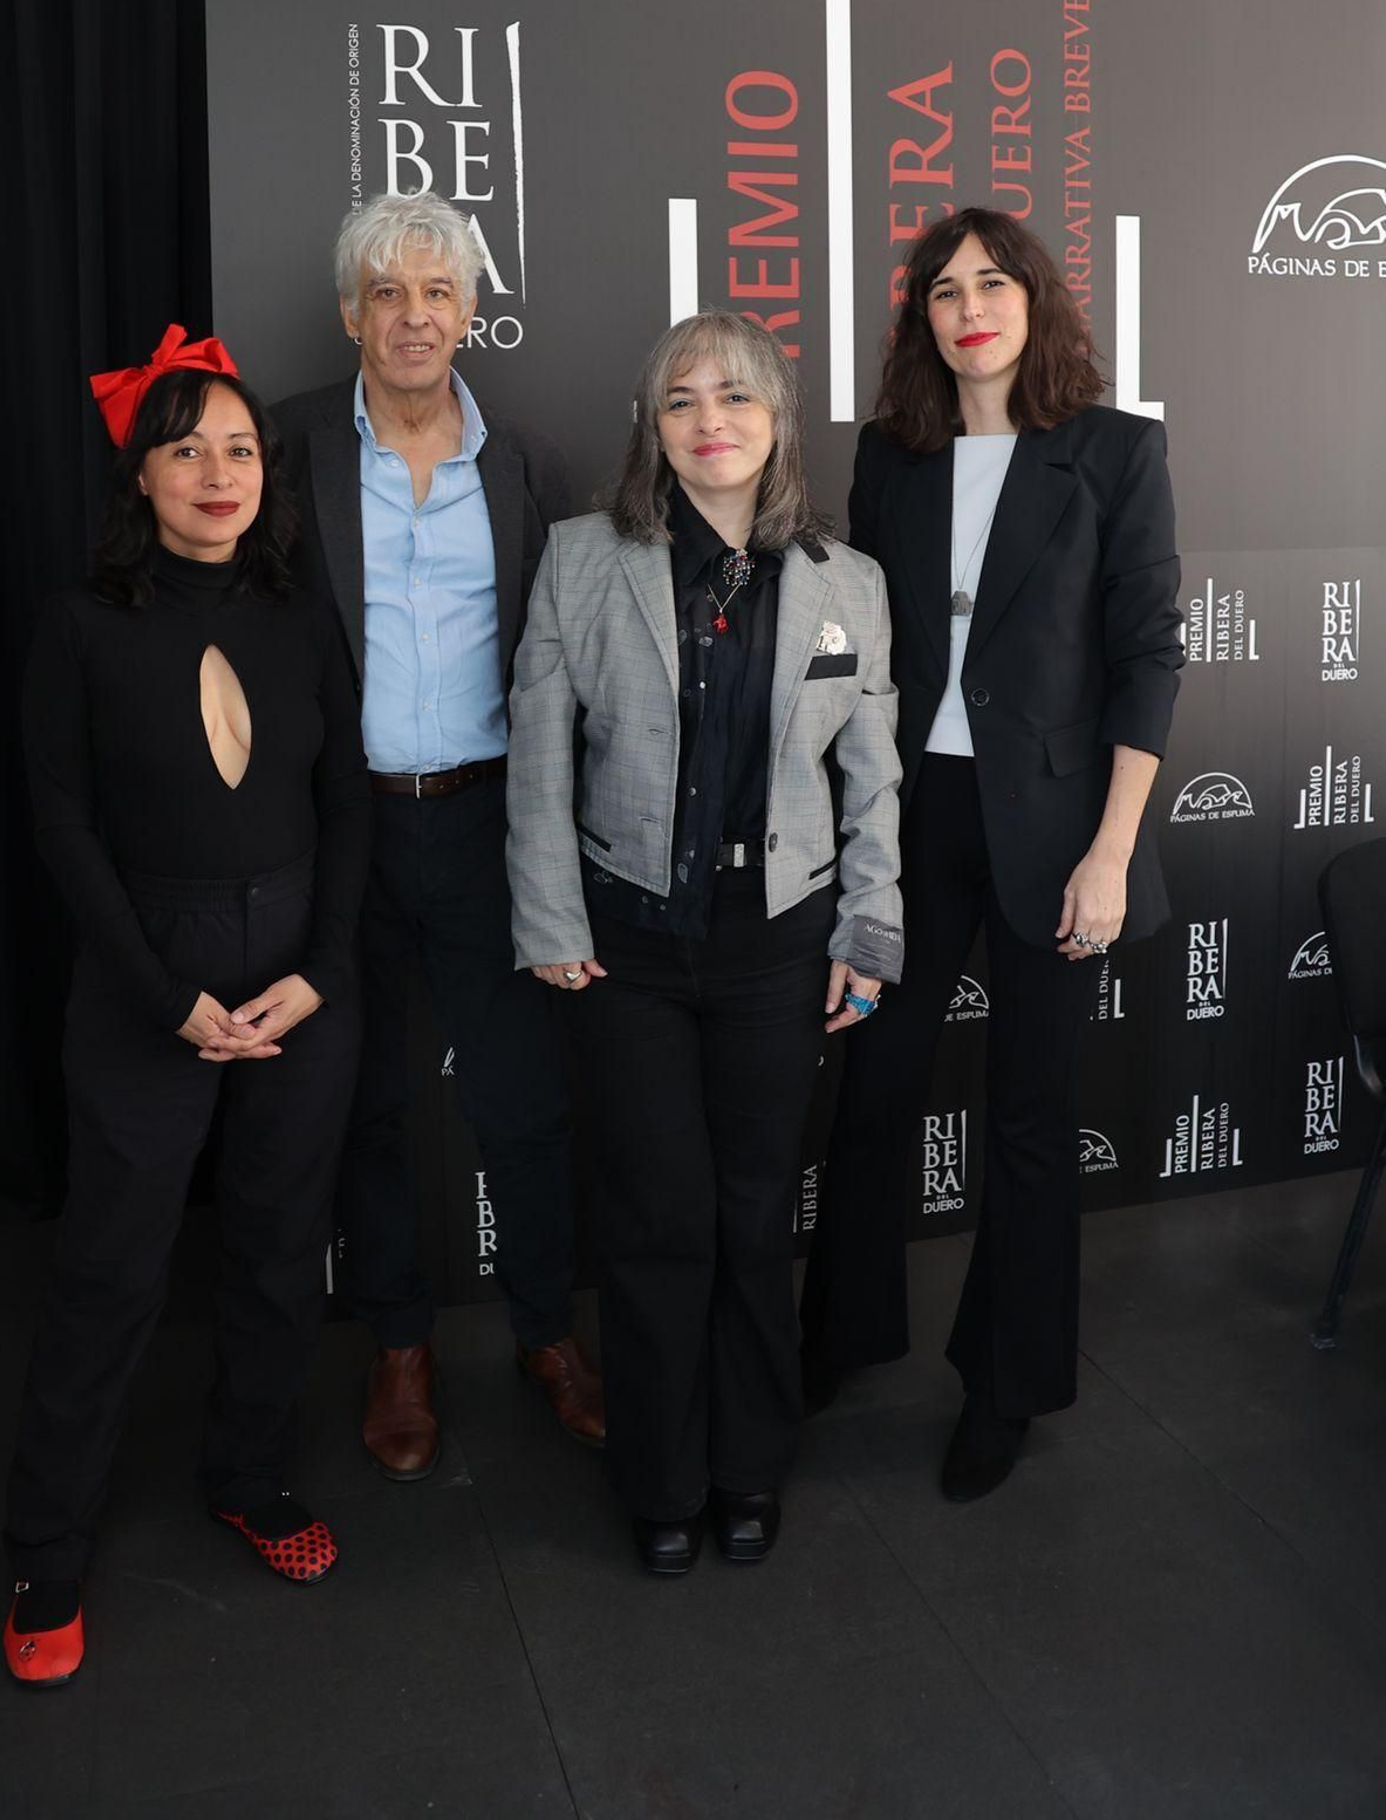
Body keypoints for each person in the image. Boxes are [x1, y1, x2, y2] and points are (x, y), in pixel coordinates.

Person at [505, 312, 904, 1574]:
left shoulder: (848, 579)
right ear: (653, 426)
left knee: (748, 1209)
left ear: (778, 417)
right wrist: (552, 919)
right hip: (627, 939)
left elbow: (872, 779)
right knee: (658, 1215)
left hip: (776, 940)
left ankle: (749, 1466)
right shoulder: (583, 557)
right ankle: (662, 1476)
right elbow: (535, 755)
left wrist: (869, 926)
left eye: (733, 395)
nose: (708, 418)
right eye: (680, 399)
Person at [2, 325, 369, 1687]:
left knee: (279, 1246)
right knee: (111, 1267)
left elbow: (345, 798)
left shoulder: (295, 605)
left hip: (300, 984)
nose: (220, 470)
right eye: (185, 447)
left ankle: (251, 1475)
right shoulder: (82, 624)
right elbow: (61, 825)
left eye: (239, 447)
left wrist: (321, 967)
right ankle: (45, 1543)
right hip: (146, 988)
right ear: (139, 477)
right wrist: (172, 1000)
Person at [799, 209, 1183, 1502]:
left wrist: (1114, 850)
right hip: (913, 819)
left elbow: (1148, 660)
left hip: (1061, 830)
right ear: (921, 318)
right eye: (944, 290)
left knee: (1025, 1118)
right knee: (870, 1095)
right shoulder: (892, 457)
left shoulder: (1118, 451)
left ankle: (1004, 1384)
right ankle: (839, 1336)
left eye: (993, 282)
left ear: (1036, 299)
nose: (969, 306)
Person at [275, 193, 603, 1481]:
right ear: (352, 312)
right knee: (365, 1106)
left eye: (438, 292)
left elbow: (565, 661)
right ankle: (398, 1344)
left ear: (471, 311)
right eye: (388, 292)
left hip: (489, 826)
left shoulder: (525, 466)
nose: (414, 316)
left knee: (522, 1101)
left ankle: (544, 1330)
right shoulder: (288, 447)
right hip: (341, 832)